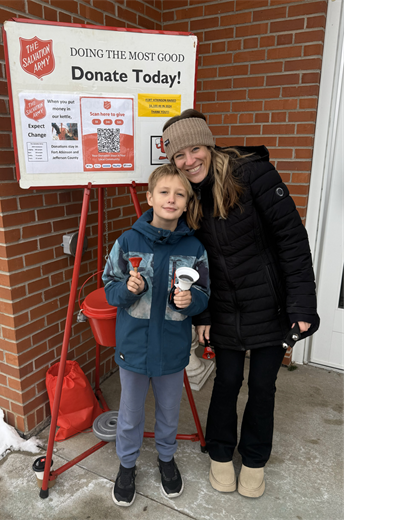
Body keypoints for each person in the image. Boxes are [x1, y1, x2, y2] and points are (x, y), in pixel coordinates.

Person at [161, 109, 320, 498]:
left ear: (209, 145)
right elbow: (190, 264)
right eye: (179, 155)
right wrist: (203, 313)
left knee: (263, 385)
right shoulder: (185, 194)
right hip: (224, 308)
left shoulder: (254, 175)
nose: (189, 160)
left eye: (195, 148)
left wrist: (302, 306)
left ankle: (253, 460)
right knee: (227, 382)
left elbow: (292, 241)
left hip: (271, 304)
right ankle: (219, 453)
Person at [102, 165, 210, 507]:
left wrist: (191, 300)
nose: (172, 199)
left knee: (168, 411)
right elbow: (109, 286)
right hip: (133, 349)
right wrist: (127, 290)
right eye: (164, 192)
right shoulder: (128, 241)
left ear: (187, 202)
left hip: (172, 350)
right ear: (150, 198)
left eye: (180, 194)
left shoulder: (194, 247)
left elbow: (205, 292)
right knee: (131, 413)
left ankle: (166, 458)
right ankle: (127, 464)